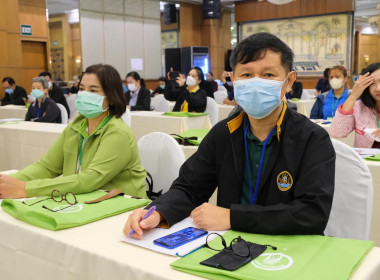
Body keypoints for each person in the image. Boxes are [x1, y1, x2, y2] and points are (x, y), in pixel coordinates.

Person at [123, 32, 335, 238]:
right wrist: (156, 211)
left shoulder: (312, 139)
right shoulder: (223, 133)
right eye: (247, 75)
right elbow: (189, 188)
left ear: (289, 81)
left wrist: (233, 217)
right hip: (230, 247)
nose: (256, 82)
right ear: (234, 79)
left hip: (287, 252)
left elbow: (312, 213)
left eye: (268, 75)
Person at [0, 64, 147, 199]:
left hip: (125, 205)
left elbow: (89, 180)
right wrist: (11, 181)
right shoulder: (76, 126)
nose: (84, 94)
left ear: (112, 97)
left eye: (93, 90)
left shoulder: (118, 133)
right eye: (82, 89)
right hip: (85, 198)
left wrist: (26, 189)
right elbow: (47, 167)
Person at [330, 63, 380, 148]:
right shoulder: (359, 107)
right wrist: (353, 96)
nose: (378, 88)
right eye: (372, 83)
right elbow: (337, 132)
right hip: (365, 160)